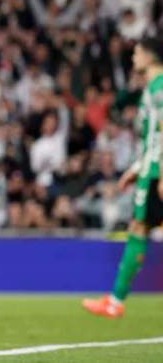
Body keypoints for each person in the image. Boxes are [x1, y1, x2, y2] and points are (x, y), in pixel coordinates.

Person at [83, 38, 163, 318]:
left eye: (138, 53)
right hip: (151, 169)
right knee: (139, 227)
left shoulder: (160, 86)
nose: (133, 58)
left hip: (158, 172)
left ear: (151, 57)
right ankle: (116, 301)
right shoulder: (151, 88)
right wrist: (137, 167)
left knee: (139, 228)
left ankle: (117, 301)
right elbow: (154, 136)